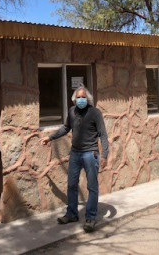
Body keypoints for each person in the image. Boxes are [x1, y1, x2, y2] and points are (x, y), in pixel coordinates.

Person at [40, 86, 109, 233]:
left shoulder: (95, 113)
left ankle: (90, 218)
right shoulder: (72, 112)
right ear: (74, 99)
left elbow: (103, 135)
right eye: (78, 97)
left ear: (88, 98)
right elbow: (65, 128)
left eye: (83, 97)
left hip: (91, 154)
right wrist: (50, 137)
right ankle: (71, 214)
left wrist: (104, 155)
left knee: (92, 186)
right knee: (71, 185)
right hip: (75, 154)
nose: (81, 99)